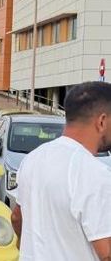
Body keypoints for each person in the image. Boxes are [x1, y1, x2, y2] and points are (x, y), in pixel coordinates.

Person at [12, 82, 111, 261]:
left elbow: (16, 218)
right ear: (102, 121)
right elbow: (106, 252)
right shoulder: (95, 173)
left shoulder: (33, 158)